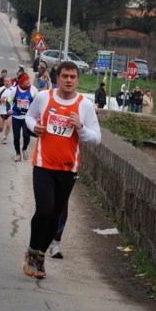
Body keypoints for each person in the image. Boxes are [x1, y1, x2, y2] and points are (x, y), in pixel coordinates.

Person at [23, 62, 101, 279]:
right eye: (65, 76)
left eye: (73, 77)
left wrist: (81, 128)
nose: (68, 80)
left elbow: (97, 137)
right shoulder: (43, 98)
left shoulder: (84, 105)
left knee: (56, 215)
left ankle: (40, 256)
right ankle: (31, 250)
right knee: (45, 209)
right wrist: (33, 127)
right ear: (57, 78)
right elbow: (29, 117)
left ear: (78, 80)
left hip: (68, 169)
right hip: (43, 165)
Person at [8, 73, 38, 162]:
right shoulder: (15, 90)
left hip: (27, 117)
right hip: (16, 117)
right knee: (16, 137)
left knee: (26, 135)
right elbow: (9, 101)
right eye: (26, 80)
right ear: (21, 82)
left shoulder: (33, 89)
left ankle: (24, 148)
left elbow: (37, 102)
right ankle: (17, 153)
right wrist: (8, 109)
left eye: (29, 79)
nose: (29, 81)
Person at [0, 76, 13, 144]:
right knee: (0, 128)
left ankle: (5, 137)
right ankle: (1, 132)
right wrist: (0, 100)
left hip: (10, 111)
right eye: (5, 81)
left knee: (8, 125)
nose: (7, 83)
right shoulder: (0, 89)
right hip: (1, 110)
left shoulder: (13, 90)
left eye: (8, 81)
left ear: (10, 82)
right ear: (4, 82)